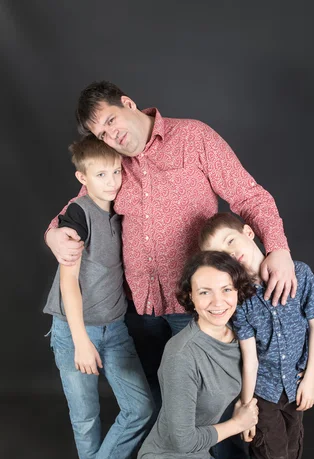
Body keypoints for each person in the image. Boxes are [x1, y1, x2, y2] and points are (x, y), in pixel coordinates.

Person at [44, 80, 297, 408]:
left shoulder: (194, 138)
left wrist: (278, 248)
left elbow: (249, 195)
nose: (110, 136)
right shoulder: (113, 163)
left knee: (208, 403)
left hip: (196, 306)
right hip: (139, 309)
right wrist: (53, 233)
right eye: (101, 134)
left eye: (110, 121)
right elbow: (80, 207)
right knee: (157, 401)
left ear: (128, 103)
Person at [132, 251, 285, 459]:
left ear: (237, 291)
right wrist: (239, 422)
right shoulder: (182, 356)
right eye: (205, 292)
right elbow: (182, 441)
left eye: (226, 289)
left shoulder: (238, 334)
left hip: (197, 457)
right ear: (190, 296)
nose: (218, 302)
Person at [199, 213, 314, 459]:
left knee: (290, 453)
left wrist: (312, 377)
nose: (232, 254)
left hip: (298, 385)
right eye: (221, 254)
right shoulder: (239, 301)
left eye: (231, 242)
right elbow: (250, 358)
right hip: (265, 393)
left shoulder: (299, 273)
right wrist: (247, 409)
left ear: (248, 232)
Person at [43, 136, 155, 459]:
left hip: (115, 327)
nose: (111, 180)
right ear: (82, 177)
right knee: (86, 415)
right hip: (75, 330)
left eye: (116, 172)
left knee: (140, 408)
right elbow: (69, 283)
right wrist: (79, 341)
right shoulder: (76, 216)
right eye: (100, 174)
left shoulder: (121, 213)